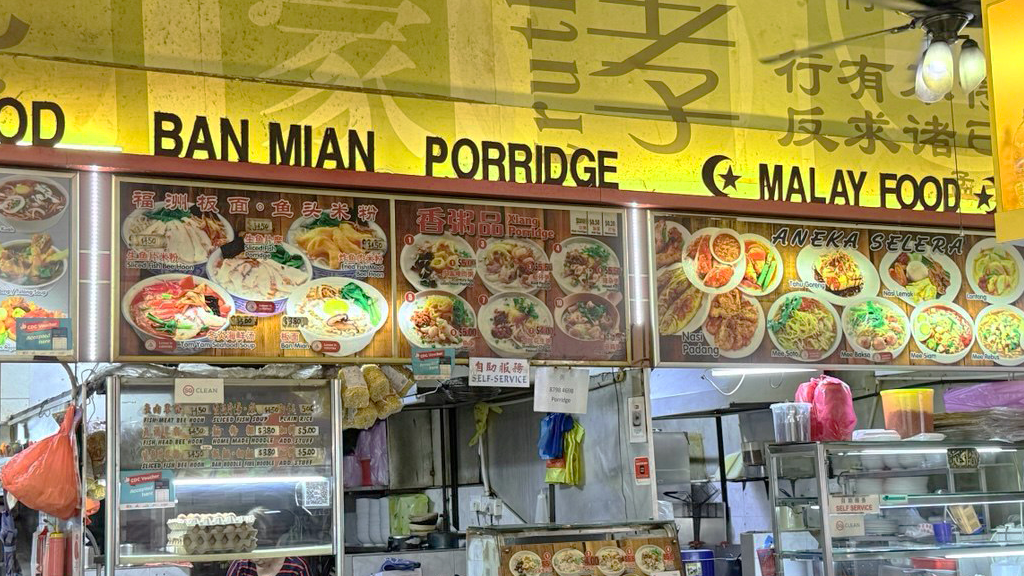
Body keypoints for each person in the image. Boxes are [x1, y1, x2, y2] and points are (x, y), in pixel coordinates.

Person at [226, 508, 311, 576]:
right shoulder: (241, 565)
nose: (256, 558)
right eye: (251, 550)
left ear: (278, 541)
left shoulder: (296, 568)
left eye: (262, 549)